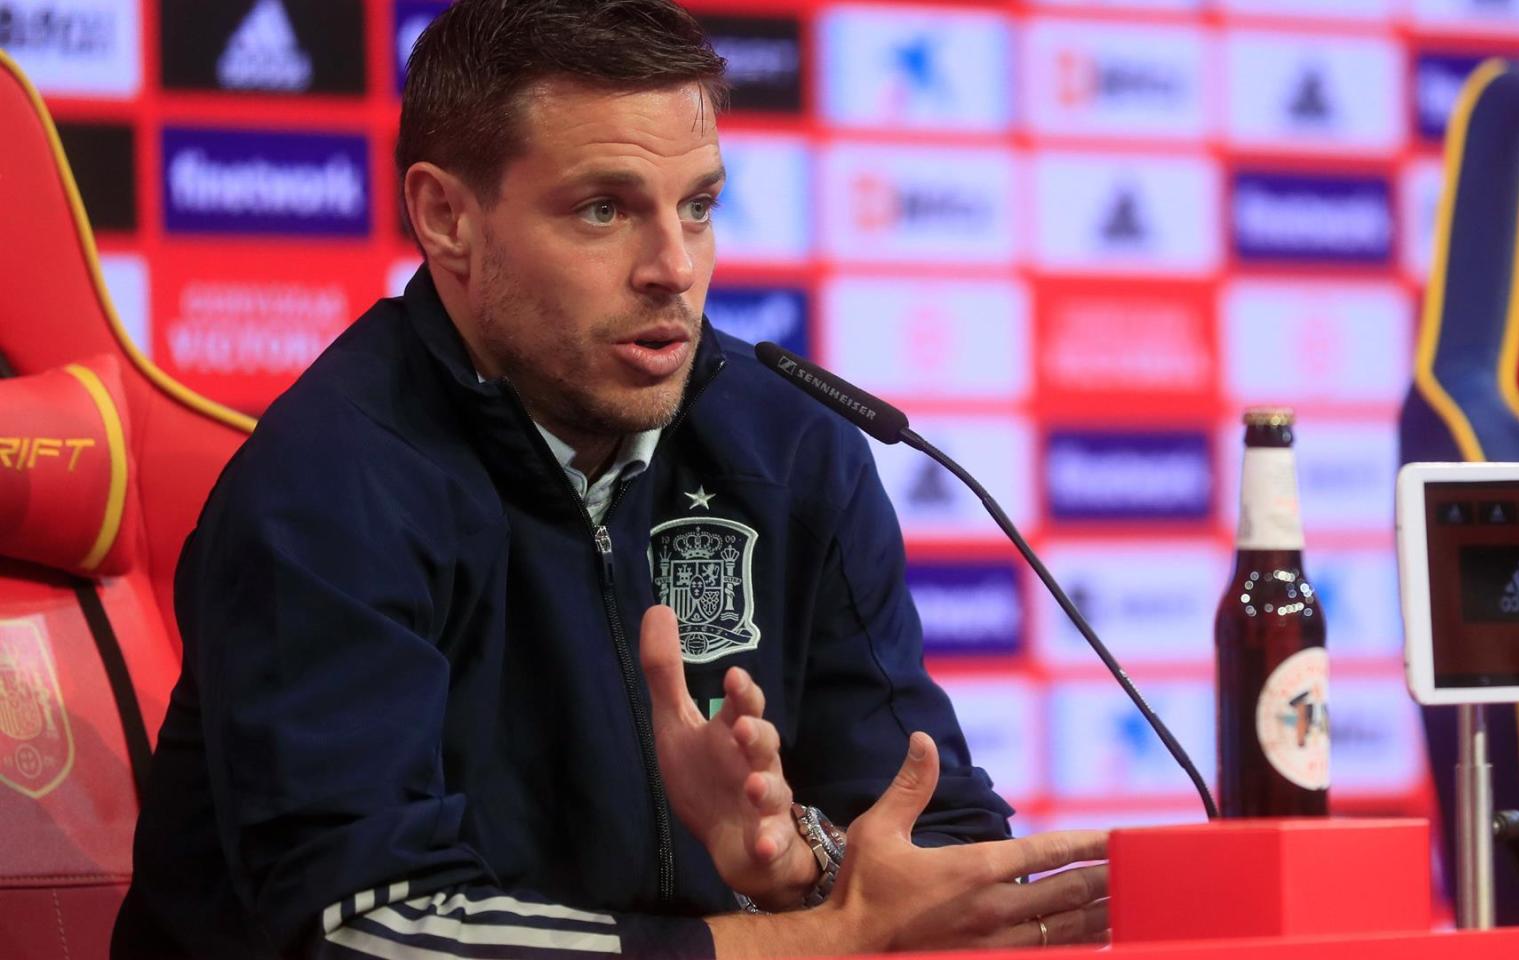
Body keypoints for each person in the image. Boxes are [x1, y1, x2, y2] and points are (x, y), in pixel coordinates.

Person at [112, 1, 1109, 956]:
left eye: (699, 206)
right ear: (446, 217)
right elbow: (376, 933)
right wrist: (822, 936)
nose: (674, 267)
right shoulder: (332, 487)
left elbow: (939, 849)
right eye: (603, 210)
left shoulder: (791, 449)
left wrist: (794, 863)